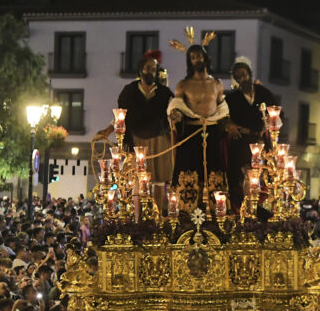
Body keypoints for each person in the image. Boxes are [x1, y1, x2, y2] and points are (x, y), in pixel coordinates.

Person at [97, 49, 174, 196]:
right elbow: (120, 115)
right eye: (147, 68)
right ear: (141, 69)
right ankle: (138, 217)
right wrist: (107, 131)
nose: (150, 71)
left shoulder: (165, 93)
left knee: (158, 181)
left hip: (159, 140)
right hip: (135, 140)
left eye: (153, 69)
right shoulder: (129, 91)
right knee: (136, 181)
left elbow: (172, 113)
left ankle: (157, 215)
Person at [166, 37, 230, 203]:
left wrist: (227, 123)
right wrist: (177, 115)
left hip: (212, 131)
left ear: (205, 57)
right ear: (189, 61)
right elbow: (177, 106)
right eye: (193, 57)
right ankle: (187, 209)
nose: (197, 59)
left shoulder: (216, 83)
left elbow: (222, 109)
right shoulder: (184, 84)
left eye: (199, 56)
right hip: (191, 132)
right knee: (188, 172)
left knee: (213, 172)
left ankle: (217, 208)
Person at [224, 57, 275, 208]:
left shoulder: (264, 93)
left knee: (263, 174)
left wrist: (270, 121)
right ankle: (247, 206)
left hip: (261, 139)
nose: (242, 78)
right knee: (247, 174)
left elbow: (276, 113)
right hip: (241, 141)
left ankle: (260, 206)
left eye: (244, 74)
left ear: (250, 74)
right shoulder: (232, 98)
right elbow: (223, 117)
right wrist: (229, 125)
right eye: (238, 76)